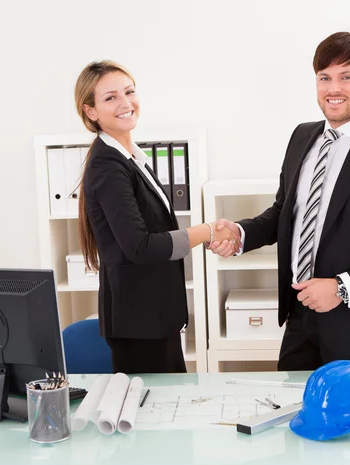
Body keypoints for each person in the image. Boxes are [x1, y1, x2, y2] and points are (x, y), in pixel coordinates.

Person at [210, 32, 350, 371]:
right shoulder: (302, 136)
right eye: (324, 77)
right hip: (298, 316)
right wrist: (242, 233)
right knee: (292, 418)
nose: (333, 89)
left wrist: (342, 288)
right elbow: (285, 213)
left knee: (349, 425)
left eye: (346, 77)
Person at [74, 60, 239, 374]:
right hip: (138, 323)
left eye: (129, 91)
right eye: (110, 98)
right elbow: (140, 246)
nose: (125, 103)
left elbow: (156, 229)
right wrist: (205, 232)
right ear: (91, 111)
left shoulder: (131, 156)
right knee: (152, 414)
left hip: (154, 315)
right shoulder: (108, 166)